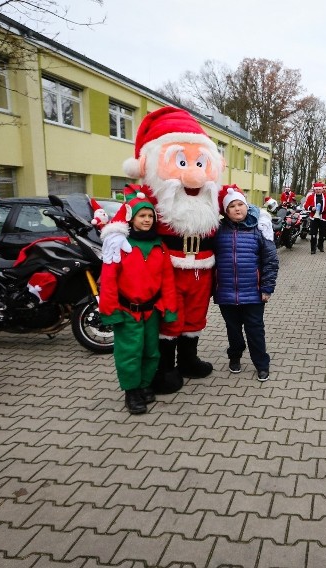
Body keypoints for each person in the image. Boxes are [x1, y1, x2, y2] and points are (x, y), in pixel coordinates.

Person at [101, 107, 224, 395]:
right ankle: (163, 367)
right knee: (169, 316)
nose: (193, 173)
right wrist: (115, 235)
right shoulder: (150, 198)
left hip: (203, 269)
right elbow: (125, 219)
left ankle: (189, 359)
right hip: (167, 269)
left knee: (195, 315)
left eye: (199, 162)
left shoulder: (211, 196)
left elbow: (237, 208)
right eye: (181, 161)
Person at [99, 189, 177, 414]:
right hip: (127, 311)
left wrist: (170, 308)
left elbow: (167, 281)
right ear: (131, 218)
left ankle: (144, 385)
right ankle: (131, 392)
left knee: (151, 351)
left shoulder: (159, 246)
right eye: (142, 216)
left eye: (150, 216)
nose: (146, 220)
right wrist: (110, 311)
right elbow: (109, 280)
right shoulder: (119, 245)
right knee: (130, 352)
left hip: (151, 311)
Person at [213, 185, 278, 382]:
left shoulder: (258, 230)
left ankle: (261, 364)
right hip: (226, 293)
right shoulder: (217, 231)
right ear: (226, 210)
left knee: (255, 330)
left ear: (246, 206)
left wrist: (267, 288)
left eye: (240, 204)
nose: (237, 209)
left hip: (254, 293)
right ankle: (234, 356)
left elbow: (271, 261)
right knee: (233, 330)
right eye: (232, 206)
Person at [303, 182, 326, 254]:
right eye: (317, 189)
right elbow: (306, 205)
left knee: (322, 234)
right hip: (314, 217)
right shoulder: (311, 197)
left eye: (319, 189)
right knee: (313, 233)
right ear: (314, 190)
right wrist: (311, 208)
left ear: (322, 190)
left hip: (323, 217)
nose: (318, 191)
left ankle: (320, 246)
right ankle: (313, 248)